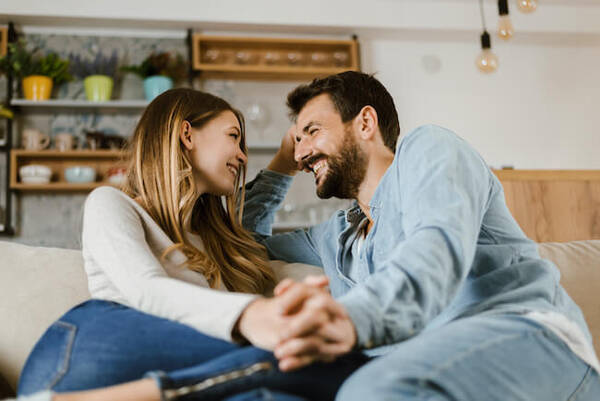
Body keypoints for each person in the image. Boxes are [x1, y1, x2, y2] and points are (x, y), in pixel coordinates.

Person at [241, 71, 600, 400]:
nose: (302, 152)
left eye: (313, 130)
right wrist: (281, 165)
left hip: (531, 343)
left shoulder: (428, 150)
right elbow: (244, 243)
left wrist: (351, 318)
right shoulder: (334, 237)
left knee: (370, 392)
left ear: (365, 122)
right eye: (296, 141)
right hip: (428, 368)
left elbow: (434, 250)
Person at [16, 88, 368, 401]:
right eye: (233, 136)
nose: (242, 156)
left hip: (186, 376)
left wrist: (285, 165)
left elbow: (250, 233)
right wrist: (250, 316)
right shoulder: (112, 202)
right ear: (187, 134)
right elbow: (146, 290)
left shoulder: (217, 243)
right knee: (319, 358)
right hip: (84, 351)